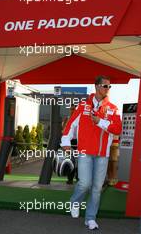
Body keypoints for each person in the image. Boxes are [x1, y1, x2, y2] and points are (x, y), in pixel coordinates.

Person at [60, 75, 122, 230]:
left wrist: (100, 122)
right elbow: (70, 125)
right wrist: (66, 143)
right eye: (105, 86)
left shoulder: (113, 108)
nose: (107, 89)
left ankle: (90, 218)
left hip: (102, 154)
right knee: (84, 183)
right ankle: (74, 201)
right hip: (85, 151)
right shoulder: (82, 106)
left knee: (96, 188)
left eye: (109, 86)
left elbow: (117, 129)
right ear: (96, 86)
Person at [62, 104, 78, 184]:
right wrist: (64, 123)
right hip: (69, 142)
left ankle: (78, 178)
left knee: (78, 161)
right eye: (71, 109)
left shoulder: (79, 119)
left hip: (78, 142)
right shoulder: (67, 119)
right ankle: (70, 179)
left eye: (74, 109)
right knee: (70, 160)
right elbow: (63, 131)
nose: (72, 111)